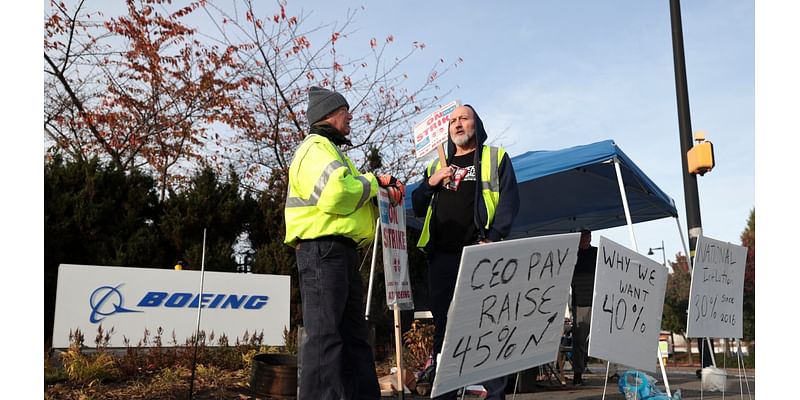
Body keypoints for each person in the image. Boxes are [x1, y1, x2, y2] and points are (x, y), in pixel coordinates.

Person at [284, 86, 405, 400]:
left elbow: (350, 193)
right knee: (327, 336)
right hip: (323, 251)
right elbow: (336, 195)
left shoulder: (332, 153)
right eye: (344, 111)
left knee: (352, 337)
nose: (350, 117)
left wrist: (379, 191)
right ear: (328, 115)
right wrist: (373, 181)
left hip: (337, 253)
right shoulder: (315, 148)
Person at [411, 104, 520, 400]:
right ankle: (444, 391)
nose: (457, 124)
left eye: (464, 119)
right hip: (442, 257)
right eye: (453, 121)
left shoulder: (494, 157)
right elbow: (418, 204)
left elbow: (510, 200)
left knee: (488, 323)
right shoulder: (436, 165)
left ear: (477, 125)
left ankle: (494, 393)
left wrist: (494, 237)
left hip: (480, 253)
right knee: (445, 325)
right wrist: (431, 183)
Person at [569, 229, 598, 386]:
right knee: (579, 341)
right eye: (584, 237)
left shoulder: (597, 253)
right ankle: (577, 374)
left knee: (600, 339)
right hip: (580, 303)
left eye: (589, 237)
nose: (587, 240)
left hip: (598, 301)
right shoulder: (573, 254)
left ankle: (612, 371)